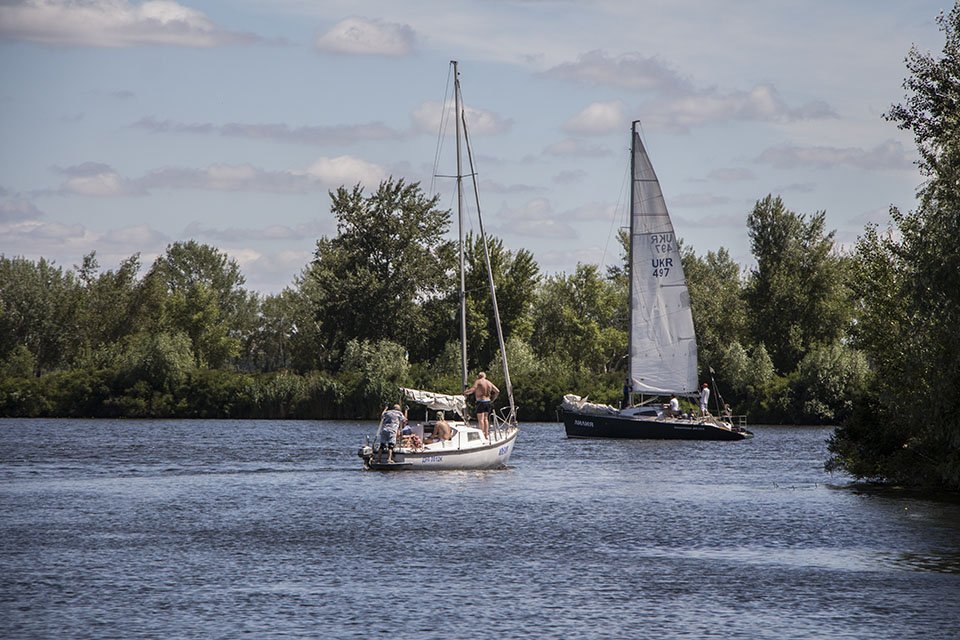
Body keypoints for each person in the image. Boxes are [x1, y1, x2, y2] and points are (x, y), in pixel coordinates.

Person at [464, 372, 499, 438]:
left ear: (478, 376)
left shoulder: (478, 381)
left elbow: (473, 389)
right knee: (486, 419)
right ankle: (486, 434)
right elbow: (497, 391)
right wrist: (493, 399)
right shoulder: (489, 382)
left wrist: (465, 392)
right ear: (485, 376)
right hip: (488, 401)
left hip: (480, 402)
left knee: (481, 419)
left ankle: (482, 434)